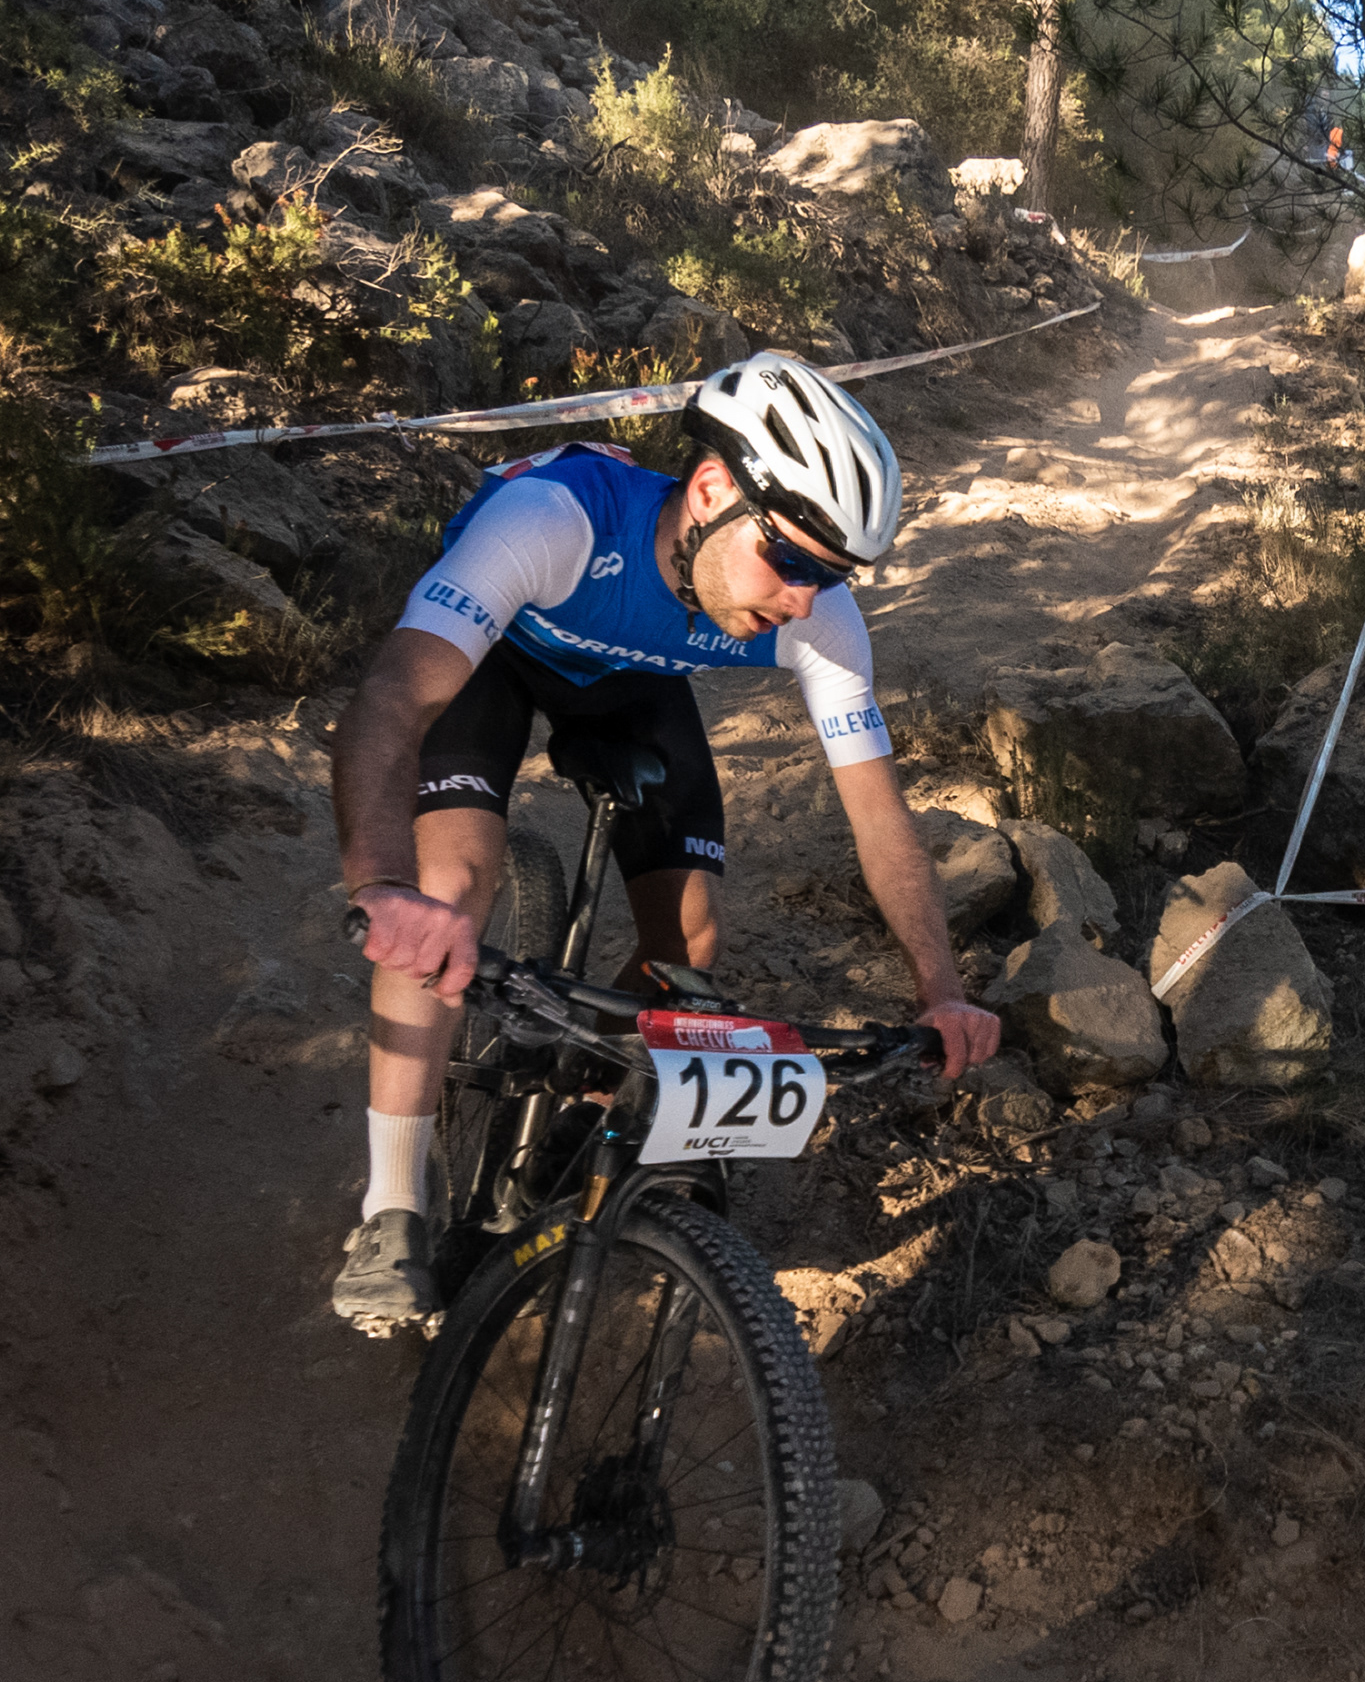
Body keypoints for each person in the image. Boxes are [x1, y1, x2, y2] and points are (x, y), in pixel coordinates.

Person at [326, 350, 1003, 1333]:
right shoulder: (553, 522)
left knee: (690, 942)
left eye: (834, 575)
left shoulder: (816, 615)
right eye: (793, 562)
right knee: (452, 883)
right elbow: (392, 701)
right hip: (501, 655)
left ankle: (577, 1106)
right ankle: (392, 1209)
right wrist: (383, 884)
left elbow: (880, 814)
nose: (806, 599)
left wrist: (940, 987)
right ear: (713, 491)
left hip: (635, 680)